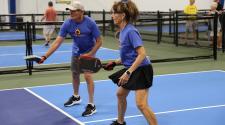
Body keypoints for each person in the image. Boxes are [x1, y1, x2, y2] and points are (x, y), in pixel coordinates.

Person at [38, 0, 102, 117]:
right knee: (75, 74)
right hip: (76, 52)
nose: (70, 12)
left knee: (88, 76)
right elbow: (57, 42)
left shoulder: (90, 23)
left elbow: (99, 41)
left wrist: (91, 53)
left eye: (73, 10)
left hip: (89, 52)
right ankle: (76, 97)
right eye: (70, 10)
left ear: (81, 11)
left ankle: (91, 105)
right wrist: (45, 56)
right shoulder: (68, 23)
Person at [103, 0, 157, 125]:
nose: (112, 16)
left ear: (122, 16)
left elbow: (142, 54)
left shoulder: (131, 31)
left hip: (142, 69)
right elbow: (129, 55)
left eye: (114, 13)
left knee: (141, 104)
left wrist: (128, 72)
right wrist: (115, 63)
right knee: (120, 94)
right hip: (133, 67)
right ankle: (120, 122)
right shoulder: (122, 31)